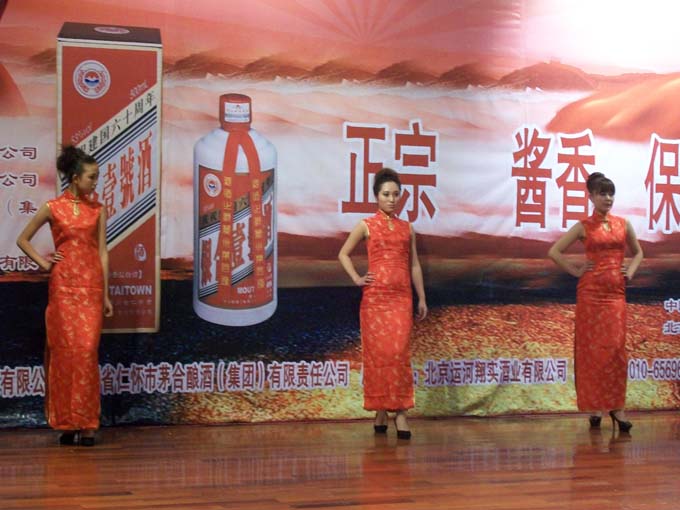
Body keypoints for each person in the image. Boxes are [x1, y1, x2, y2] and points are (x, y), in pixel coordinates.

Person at [16, 145, 113, 446]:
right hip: (63, 288)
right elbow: (23, 239)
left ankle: (88, 423)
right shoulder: (53, 207)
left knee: (86, 352)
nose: (95, 182)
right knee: (63, 353)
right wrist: (46, 263)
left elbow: (102, 252)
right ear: (75, 178)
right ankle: (66, 424)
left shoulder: (97, 210)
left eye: (96, 177)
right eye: (91, 177)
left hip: (91, 287)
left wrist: (106, 294)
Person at [548, 172, 643, 432]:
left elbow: (638, 252)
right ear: (591, 197)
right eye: (602, 194)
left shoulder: (624, 224)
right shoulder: (583, 226)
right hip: (590, 295)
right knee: (592, 352)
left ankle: (617, 407)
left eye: (611, 194)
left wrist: (630, 271)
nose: (608, 198)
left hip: (615, 295)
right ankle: (595, 408)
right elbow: (554, 252)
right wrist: (575, 270)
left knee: (615, 351)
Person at [338, 168, 427, 439]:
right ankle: (380, 410)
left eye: (396, 194)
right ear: (377, 196)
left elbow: (414, 264)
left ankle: (400, 412)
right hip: (375, 300)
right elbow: (343, 254)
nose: (391, 199)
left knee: (398, 354)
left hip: (401, 299)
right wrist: (357, 278)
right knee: (379, 357)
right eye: (386, 194)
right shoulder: (366, 225)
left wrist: (422, 297)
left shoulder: (407, 228)